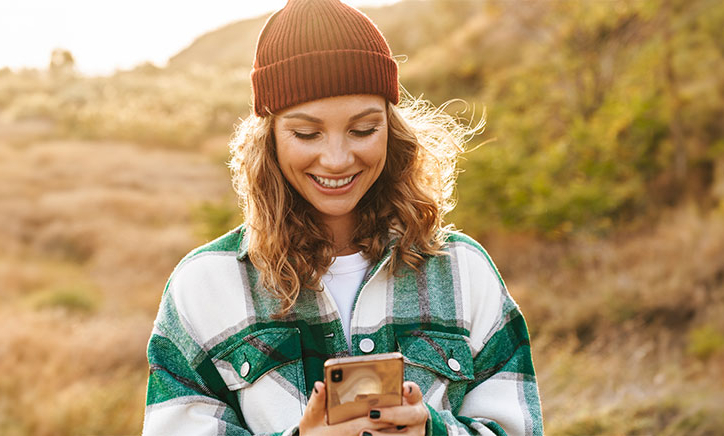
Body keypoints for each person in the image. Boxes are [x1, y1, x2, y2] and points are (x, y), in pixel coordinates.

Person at [143, 0, 543, 435]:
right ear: (270, 138)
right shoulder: (203, 286)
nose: (336, 159)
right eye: (307, 133)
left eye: (363, 129)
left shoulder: (464, 270)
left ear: (391, 129)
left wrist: (433, 431)